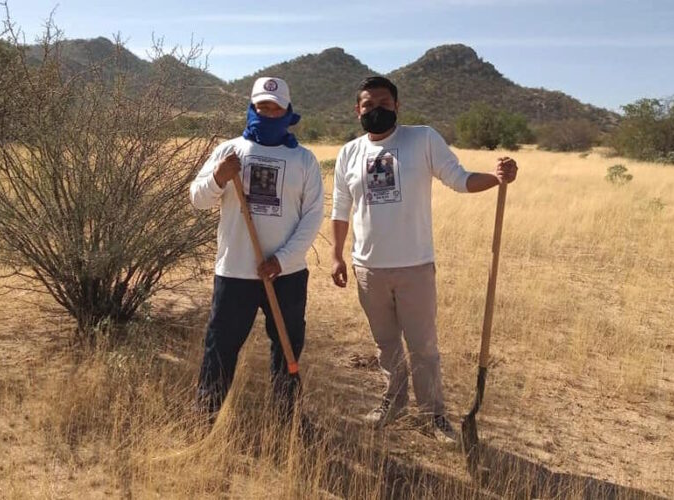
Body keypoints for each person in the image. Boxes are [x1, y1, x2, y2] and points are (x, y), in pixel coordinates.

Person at [330, 76, 518, 443]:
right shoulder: (348, 153)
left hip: (415, 266)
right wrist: (337, 256)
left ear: (397, 106)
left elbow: (459, 179)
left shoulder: (422, 139)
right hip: (368, 267)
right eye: (368, 105)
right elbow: (340, 208)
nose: (376, 110)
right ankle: (393, 402)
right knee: (386, 344)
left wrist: (497, 179)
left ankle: (433, 415)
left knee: (423, 347)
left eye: (384, 103)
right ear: (357, 111)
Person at [190, 77, 324, 421]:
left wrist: (282, 259)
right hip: (235, 272)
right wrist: (218, 177)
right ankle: (205, 415)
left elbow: (312, 217)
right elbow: (197, 200)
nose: (267, 112)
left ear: (287, 110)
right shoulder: (229, 150)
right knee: (220, 347)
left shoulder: (304, 160)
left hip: (287, 275)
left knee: (287, 346)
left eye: (274, 107)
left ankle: (288, 418)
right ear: (251, 108)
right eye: (261, 106)